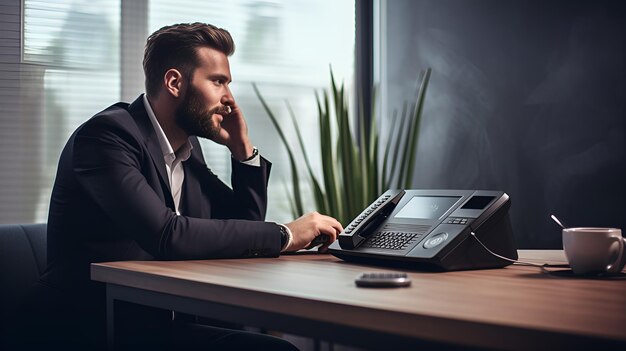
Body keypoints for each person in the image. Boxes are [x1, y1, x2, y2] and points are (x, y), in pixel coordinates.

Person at [7, 22, 343, 350]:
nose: (229, 99)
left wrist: (243, 152)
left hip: (155, 325)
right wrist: (286, 234)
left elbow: (247, 223)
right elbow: (168, 235)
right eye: (218, 82)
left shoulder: (185, 149)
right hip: (88, 328)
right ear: (173, 82)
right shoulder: (107, 137)